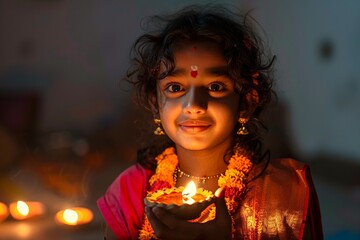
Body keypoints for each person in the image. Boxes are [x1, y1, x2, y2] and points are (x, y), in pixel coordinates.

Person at [97, 4, 323, 240]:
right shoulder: (129, 194)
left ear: (247, 101)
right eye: (175, 88)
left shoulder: (284, 193)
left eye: (215, 87)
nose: (193, 105)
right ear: (155, 103)